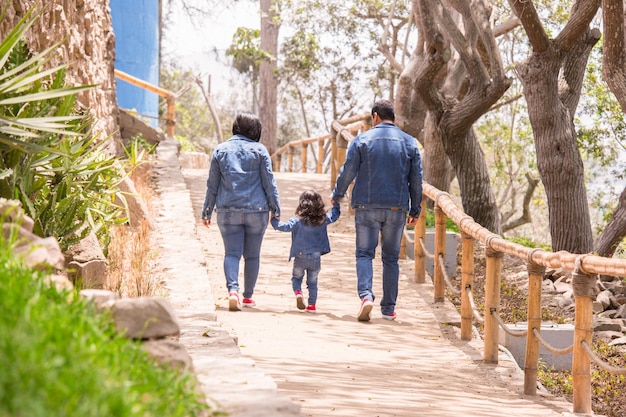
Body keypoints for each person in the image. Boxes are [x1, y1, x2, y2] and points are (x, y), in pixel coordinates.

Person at [331, 99, 423, 322]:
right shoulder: (410, 143)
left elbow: (347, 171)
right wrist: (415, 208)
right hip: (397, 207)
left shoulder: (362, 140)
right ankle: (389, 309)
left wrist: (337, 195)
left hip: (366, 206)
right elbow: (417, 180)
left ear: (374, 117)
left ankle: (365, 296)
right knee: (391, 258)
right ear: (394, 118)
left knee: (364, 253)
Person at [201, 112, 281, 312]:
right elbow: (269, 182)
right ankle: (247, 297)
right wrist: (275, 208)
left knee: (232, 253)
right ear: (255, 130)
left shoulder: (220, 150)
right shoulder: (260, 151)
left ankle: (233, 292)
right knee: (252, 256)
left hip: (228, 210)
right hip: (257, 211)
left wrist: (207, 211)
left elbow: (212, 184)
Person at [271, 190, 340, 313]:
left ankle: (298, 293)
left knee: (296, 278)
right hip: (315, 256)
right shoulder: (322, 219)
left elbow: (284, 227)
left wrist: (274, 220)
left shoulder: (297, 220)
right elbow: (334, 216)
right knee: (312, 282)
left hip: (300, 256)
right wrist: (336, 204)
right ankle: (312, 306)